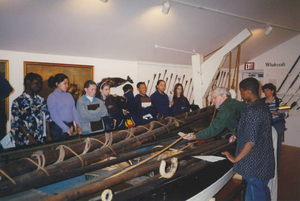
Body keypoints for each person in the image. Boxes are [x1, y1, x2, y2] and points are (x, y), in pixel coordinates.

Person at [222, 78, 275, 201]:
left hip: (254, 164)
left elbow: (251, 142)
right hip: (263, 161)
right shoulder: (262, 106)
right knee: (262, 191)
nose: (241, 94)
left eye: (241, 91)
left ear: (248, 92)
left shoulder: (253, 110)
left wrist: (235, 158)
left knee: (255, 194)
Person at [11, 73, 52, 146]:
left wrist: (48, 136)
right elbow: (18, 122)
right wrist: (30, 138)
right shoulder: (17, 102)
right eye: (37, 83)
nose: (39, 85)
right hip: (24, 141)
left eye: (41, 83)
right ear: (28, 82)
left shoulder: (41, 100)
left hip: (39, 140)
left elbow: (47, 119)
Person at [47, 73, 82, 141]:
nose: (67, 85)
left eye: (67, 83)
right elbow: (54, 116)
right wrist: (66, 129)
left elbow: (74, 111)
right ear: (57, 84)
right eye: (64, 83)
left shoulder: (69, 95)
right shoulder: (52, 97)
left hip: (70, 126)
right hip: (58, 127)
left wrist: (78, 126)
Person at [262, 83, 288, 164]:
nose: (265, 92)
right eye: (264, 91)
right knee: (265, 145)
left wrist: (279, 114)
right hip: (265, 126)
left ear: (272, 91)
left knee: (277, 145)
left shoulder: (279, 101)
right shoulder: (262, 101)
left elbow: (286, 114)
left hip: (277, 126)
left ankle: (275, 163)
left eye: (267, 90)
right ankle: (266, 162)